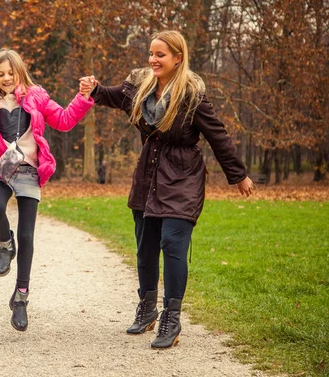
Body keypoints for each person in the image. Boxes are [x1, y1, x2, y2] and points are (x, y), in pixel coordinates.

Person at [79, 30, 253, 349]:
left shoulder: (191, 96)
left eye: (160, 54)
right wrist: (94, 89)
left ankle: (171, 318)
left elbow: (218, 137)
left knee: (173, 243)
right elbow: (114, 96)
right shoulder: (142, 88)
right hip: (148, 175)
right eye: (151, 53)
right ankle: (147, 308)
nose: (153, 60)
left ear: (178, 58)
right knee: (145, 246)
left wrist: (238, 175)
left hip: (182, 177)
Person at [0, 48, 94, 331]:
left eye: (11, 73)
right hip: (3, 168)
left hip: (29, 170)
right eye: (1, 74)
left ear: (20, 73)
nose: (6, 78)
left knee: (27, 235)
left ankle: (20, 298)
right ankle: (6, 245)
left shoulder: (36, 97)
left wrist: (83, 97)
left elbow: (65, 120)